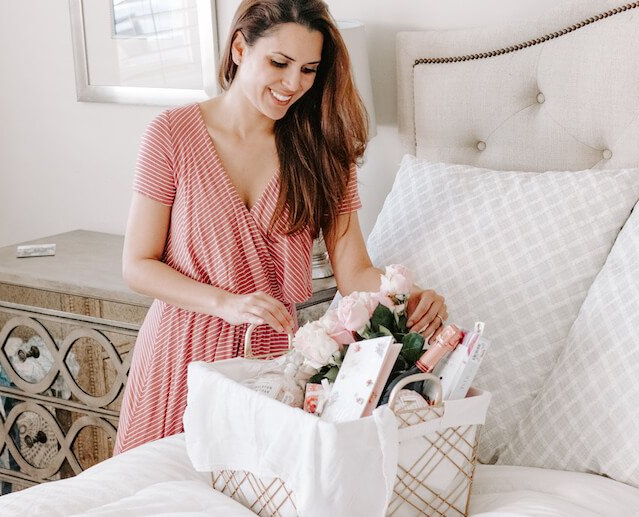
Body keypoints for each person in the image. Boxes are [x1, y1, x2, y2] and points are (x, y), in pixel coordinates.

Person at [115, 0, 448, 455]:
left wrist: (409, 298)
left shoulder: (324, 151)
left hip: (269, 367)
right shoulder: (171, 134)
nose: (294, 84)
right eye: (279, 62)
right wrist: (225, 303)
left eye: (309, 69)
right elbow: (137, 265)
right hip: (178, 355)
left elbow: (354, 275)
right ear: (238, 48)